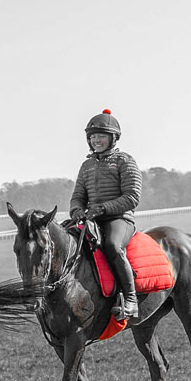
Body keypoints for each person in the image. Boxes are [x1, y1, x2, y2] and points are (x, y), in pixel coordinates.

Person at [69, 109, 142, 320]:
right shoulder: (86, 165)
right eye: (92, 137)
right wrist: (76, 210)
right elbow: (77, 196)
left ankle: (130, 299)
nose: (96, 140)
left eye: (100, 136)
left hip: (120, 218)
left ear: (113, 138)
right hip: (92, 218)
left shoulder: (125, 161)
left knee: (112, 245)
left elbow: (132, 196)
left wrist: (103, 208)